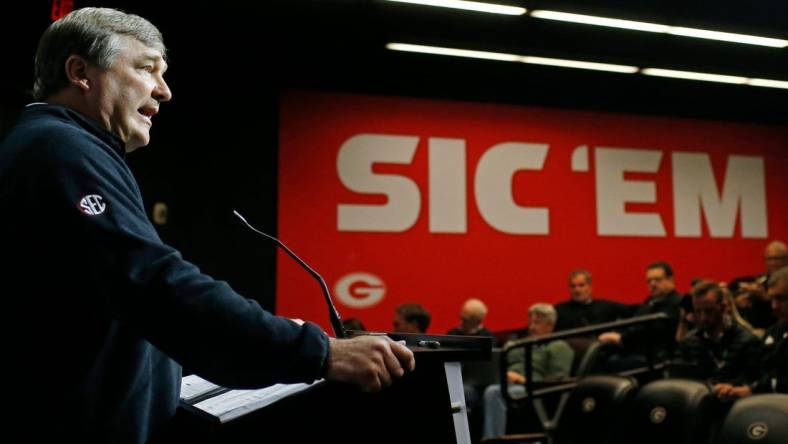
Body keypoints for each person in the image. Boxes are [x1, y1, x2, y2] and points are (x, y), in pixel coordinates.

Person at [0, 8, 414, 444]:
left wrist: (270, 337)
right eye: (146, 69)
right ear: (80, 72)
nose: (165, 91)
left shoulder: (59, 145)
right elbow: (154, 282)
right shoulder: (61, 150)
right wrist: (318, 351)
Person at [482, 303, 574, 439]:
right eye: (530, 322)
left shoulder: (558, 346)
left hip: (531, 389)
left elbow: (557, 381)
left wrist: (522, 380)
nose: (531, 327)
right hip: (503, 382)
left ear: (550, 325)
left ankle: (493, 441)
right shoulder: (518, 344)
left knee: (493, 392)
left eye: (537, 323)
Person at [672, 281, 762, 399]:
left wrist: (732, 387)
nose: (703, 318)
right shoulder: (689, 342)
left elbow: (753, 381)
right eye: (698, 311)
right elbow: (679, 380)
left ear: (723, 307)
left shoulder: (747, 341)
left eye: (709, 311)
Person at [715, 266, 788, 399]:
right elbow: (755, 371)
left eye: (781, 299)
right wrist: (734, 386)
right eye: (772, 299)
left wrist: (753, 389)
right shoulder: (774, 332)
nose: (774, 306)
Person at [554, 269, 634, 332]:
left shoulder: (605, 307)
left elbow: (633, 310)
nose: (577, 290)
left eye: (581, 285)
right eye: (573, 286)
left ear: (590, 287)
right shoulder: (560, 310)